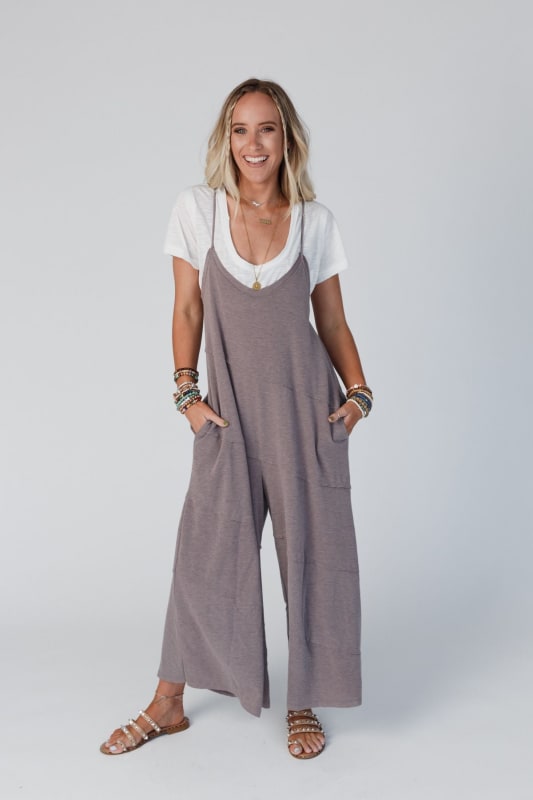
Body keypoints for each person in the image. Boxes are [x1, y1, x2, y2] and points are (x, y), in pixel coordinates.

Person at [100, 77, 372, 760]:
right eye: (241, 129)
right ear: (227, 139)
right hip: (227, 419)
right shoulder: (197, 210)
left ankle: (303, 697)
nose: (254, 143)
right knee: (204, 556)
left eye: (267, 128)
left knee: (314, 559)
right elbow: (187, 308)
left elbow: (331, 319)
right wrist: (186, 396)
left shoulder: (314, 220)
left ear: (286, 139)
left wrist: (359, 395)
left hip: (305, 414)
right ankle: (168, 701)